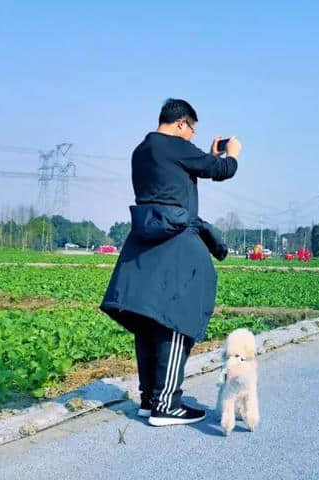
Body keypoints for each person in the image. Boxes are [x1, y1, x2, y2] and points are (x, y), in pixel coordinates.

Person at [100, 99, 240, 426]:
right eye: (191, 130)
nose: (191, 136)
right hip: (176, 240)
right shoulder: (176, 146)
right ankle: (168, 404)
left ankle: (149, 399)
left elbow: (184, 169)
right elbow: (221, 171)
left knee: (149, 320)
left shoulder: (142, 150)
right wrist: (231, 153)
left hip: (145, 240)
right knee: (179, 318)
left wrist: (204, 153)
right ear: (181, 124)